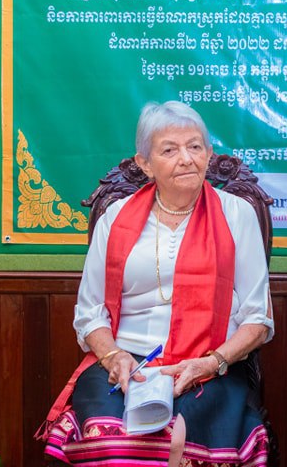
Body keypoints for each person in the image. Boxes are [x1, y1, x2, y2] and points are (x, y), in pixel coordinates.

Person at [40, 101, 273, 467]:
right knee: (113, 444)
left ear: (209, 154)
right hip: (125, 365)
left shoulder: (236, 214)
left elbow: (257, 320)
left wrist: (212, 362)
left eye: (195, 146)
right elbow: (89, 313)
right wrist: (114, 356)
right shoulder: (115, 217)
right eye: (169, 150)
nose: (186, 159)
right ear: (145, 163)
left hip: (208, 364)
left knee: (178, 444)